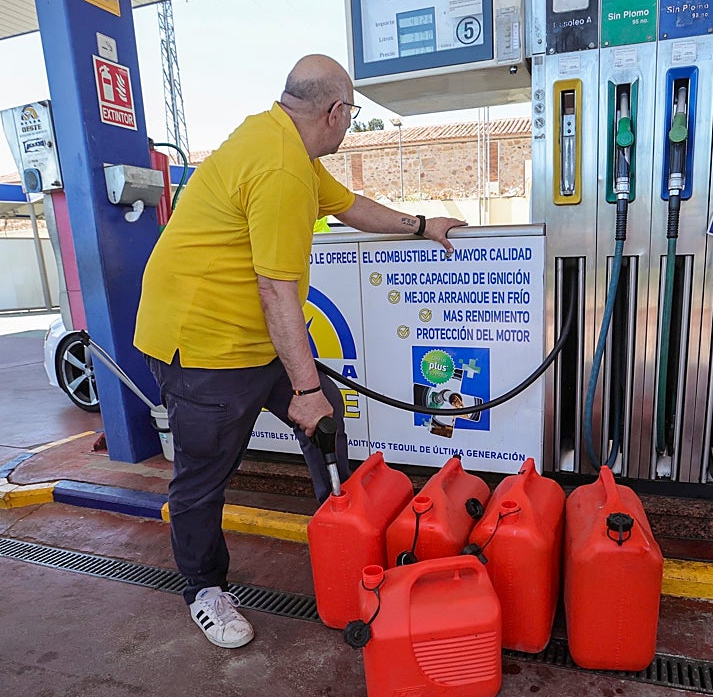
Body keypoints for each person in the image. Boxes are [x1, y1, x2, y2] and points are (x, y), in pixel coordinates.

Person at [134, 54, 466, 650]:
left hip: (255, 334)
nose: (349, 124)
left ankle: (341, 532)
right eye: (352, 115)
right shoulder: (282, 166)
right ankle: (204, 590)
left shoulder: (287, 144)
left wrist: (421, 225)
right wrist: (304, 390)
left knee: (326, 420)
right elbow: (276, 288)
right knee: (204, 476)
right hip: (204, 344)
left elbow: (348, 205)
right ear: (335, 112)